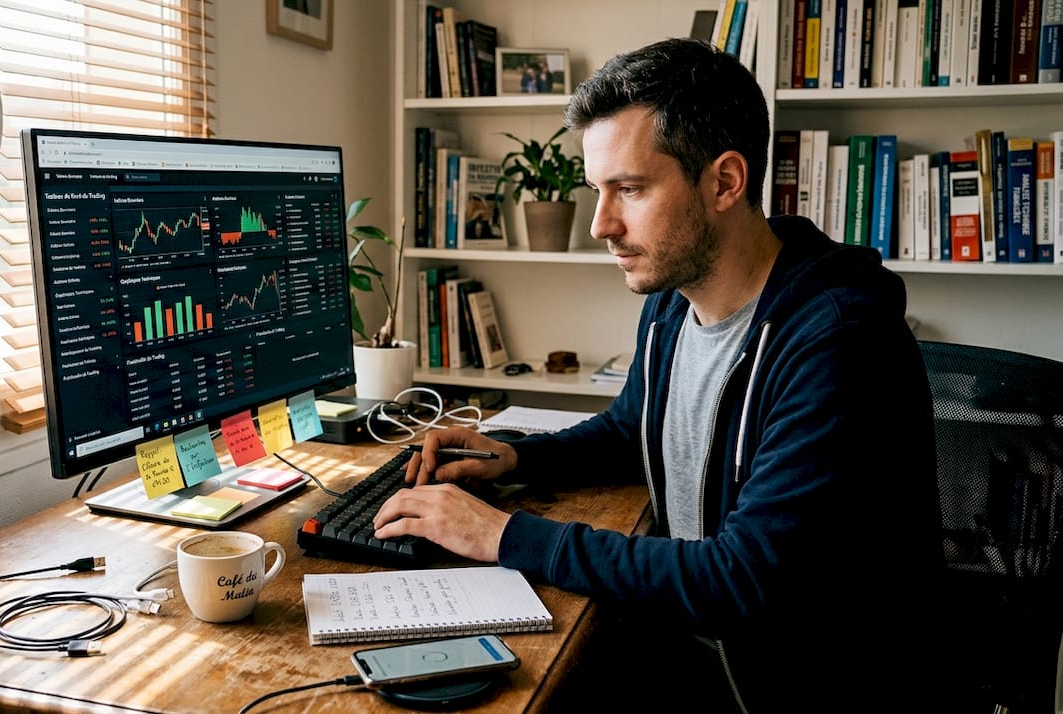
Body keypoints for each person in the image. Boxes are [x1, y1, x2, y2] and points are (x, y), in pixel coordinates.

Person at [374, 38, 944, 713]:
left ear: (725, 182)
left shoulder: (839, 341)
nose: (601, 225)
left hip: (799, 684)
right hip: (702, 645)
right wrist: (513, 458)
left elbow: (742, 578)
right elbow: (632, 431)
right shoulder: (675, 302)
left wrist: (500, 534)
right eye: (597, 192)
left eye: (631, 190)